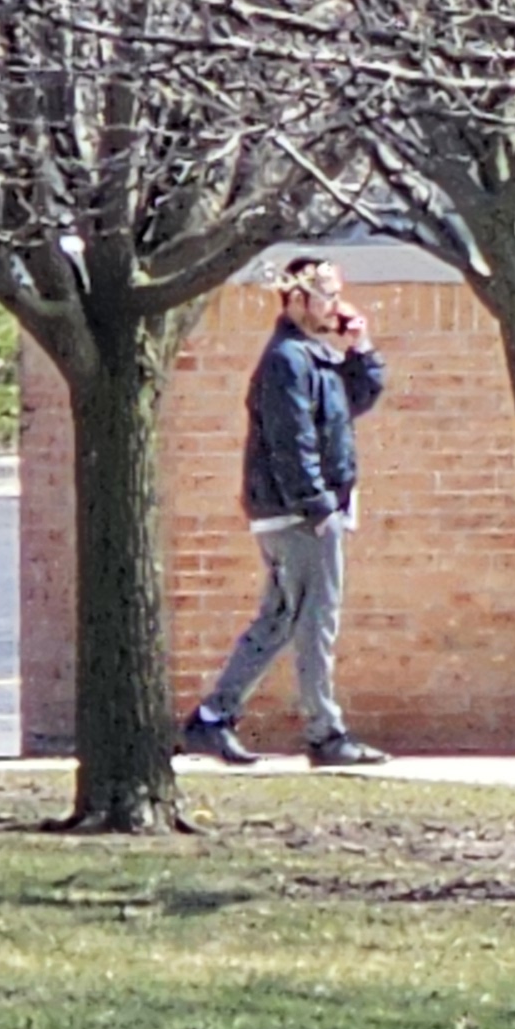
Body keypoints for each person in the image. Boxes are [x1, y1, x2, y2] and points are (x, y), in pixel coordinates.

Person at [181, 260, 389, 770]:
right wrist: (316, 505)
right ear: (296, 300)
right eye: (325, 295)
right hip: (299, 515)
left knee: (279, 619)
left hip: (297, 511)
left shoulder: (314, 358)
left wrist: (361, 348)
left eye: (336, 293)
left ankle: (211, 719)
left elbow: (354, 401)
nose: (335, 305)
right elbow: (290, 440)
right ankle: (325, 734)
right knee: (316, 621)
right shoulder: (286, 361)